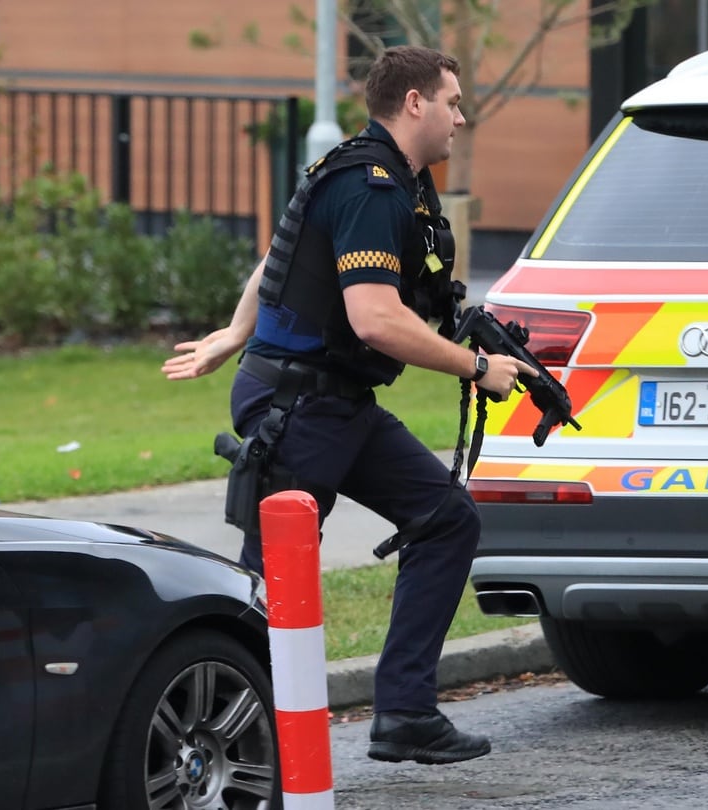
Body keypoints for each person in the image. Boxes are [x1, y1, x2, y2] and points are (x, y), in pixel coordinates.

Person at [161, 45, 533, 766]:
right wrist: (477, 366)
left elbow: (285, 251)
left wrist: (236, 332)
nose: (462, 117)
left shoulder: (379, 175)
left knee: (445, 518)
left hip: (335, 402)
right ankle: (215, 742)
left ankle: (405, 714)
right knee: (268, 587)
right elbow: (375, 320)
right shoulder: (370, 186)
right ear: (415, 103)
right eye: (453, 102)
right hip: (299, 406)